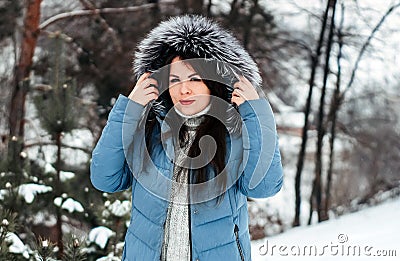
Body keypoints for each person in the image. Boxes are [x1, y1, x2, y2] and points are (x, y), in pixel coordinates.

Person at [90, 14, 283, 261]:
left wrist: (256, 114)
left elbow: (264, 186)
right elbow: (105, 178)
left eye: (194, 79)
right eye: (174, 80)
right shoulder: (148, 131)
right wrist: (130, 110)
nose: (184, 89)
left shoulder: (234, 135)